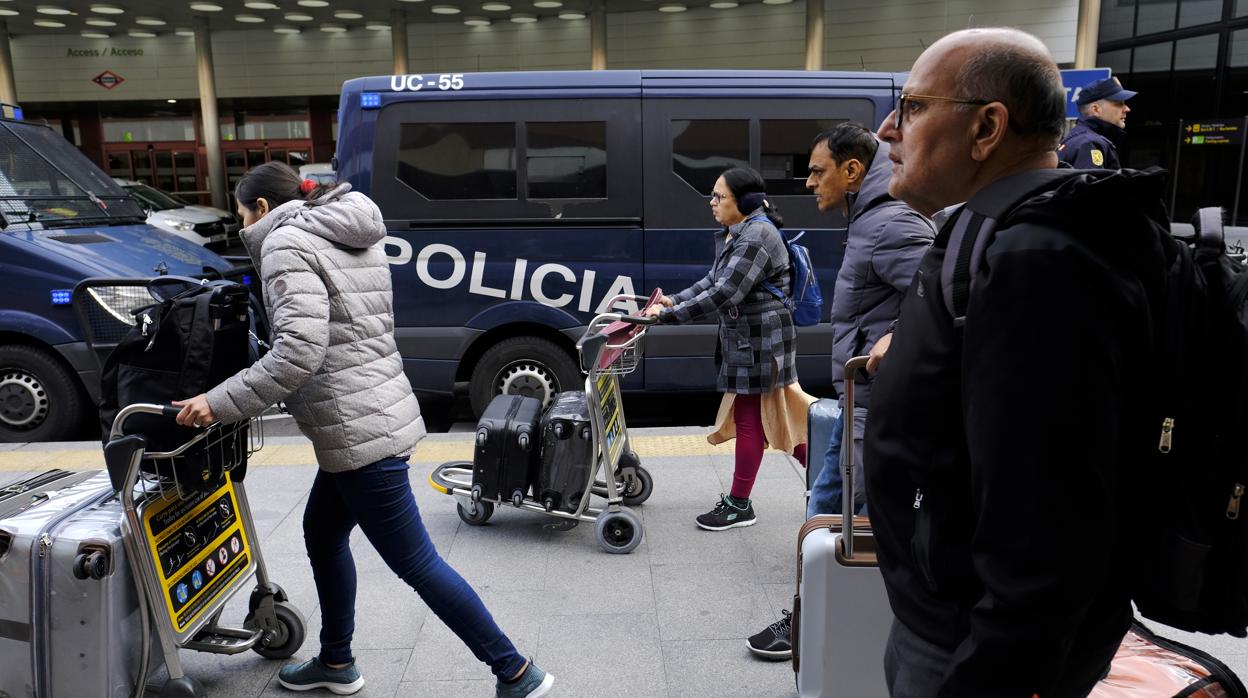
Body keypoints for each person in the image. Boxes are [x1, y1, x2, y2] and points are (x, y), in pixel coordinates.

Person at [172, 162, 554, 698]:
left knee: (416, 563)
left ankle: (514, 671)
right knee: (322, 533)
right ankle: (336, 660)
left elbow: (300, 351)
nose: (241, 225)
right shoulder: (346, 227)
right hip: (372, 412)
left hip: (358, 430)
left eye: (239, 214)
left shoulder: (285, 245)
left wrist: (217, 403)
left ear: (260, 208)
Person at [866, 29, 1165, 697]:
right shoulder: (998, 230)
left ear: (986, 128)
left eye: (912, 106)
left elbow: (1044, 529)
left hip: (973, 647)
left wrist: (988, 679)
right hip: (948, 619)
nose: (887, 129)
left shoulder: (1037, 264)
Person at [746, 123, 934, 660]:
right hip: (860, 402)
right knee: (832, 518)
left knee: (832, 518)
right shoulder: (874, 216)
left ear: (853, 172)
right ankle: (825, 620)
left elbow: (950, 296)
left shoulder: (890, 222)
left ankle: (823, 625)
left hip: (875, 407)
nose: (808, 183)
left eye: (817, 170)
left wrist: (898, 337)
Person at [644, 166, 811, 531]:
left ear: (745, 202)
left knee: (752, 418)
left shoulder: (756, 237)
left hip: (759, 340)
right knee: (777, 417)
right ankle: (832, 481)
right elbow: (713, 280)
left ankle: (739, 504)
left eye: (719, 196)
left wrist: (668, 318)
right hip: (752, 337)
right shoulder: (740, 233)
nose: (712, 202)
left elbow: (725, 293)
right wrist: (673, 300)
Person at [1057, 76, 1136, 169]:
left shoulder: (1081, 139)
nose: (1127, 109)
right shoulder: (1089, 143)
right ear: (1096, 109)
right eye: (1119, 103)